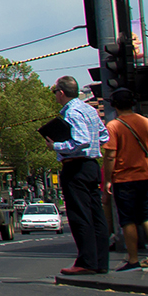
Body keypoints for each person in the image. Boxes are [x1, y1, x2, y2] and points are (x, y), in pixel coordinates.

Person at [53, 76, 112, 275]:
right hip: (92, 166)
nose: (55, 96)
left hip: (76, 167)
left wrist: (56, 145)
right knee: (96, 215)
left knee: (80, 215)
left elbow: (81, 140)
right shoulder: (90, 110)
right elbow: (104, 135)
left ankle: (86, 261)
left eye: (55, 93)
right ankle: (100, 261)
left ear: (61, 92)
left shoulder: (72, 111)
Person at [109, 89, 148, 271]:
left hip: (124, 179)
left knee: (128, 220)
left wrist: (108, 180)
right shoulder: (146, 122)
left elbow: (110, 155)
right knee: (147, 216)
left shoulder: (114, 126)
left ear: (114, 105)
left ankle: (133, 259)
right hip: (146, 175)